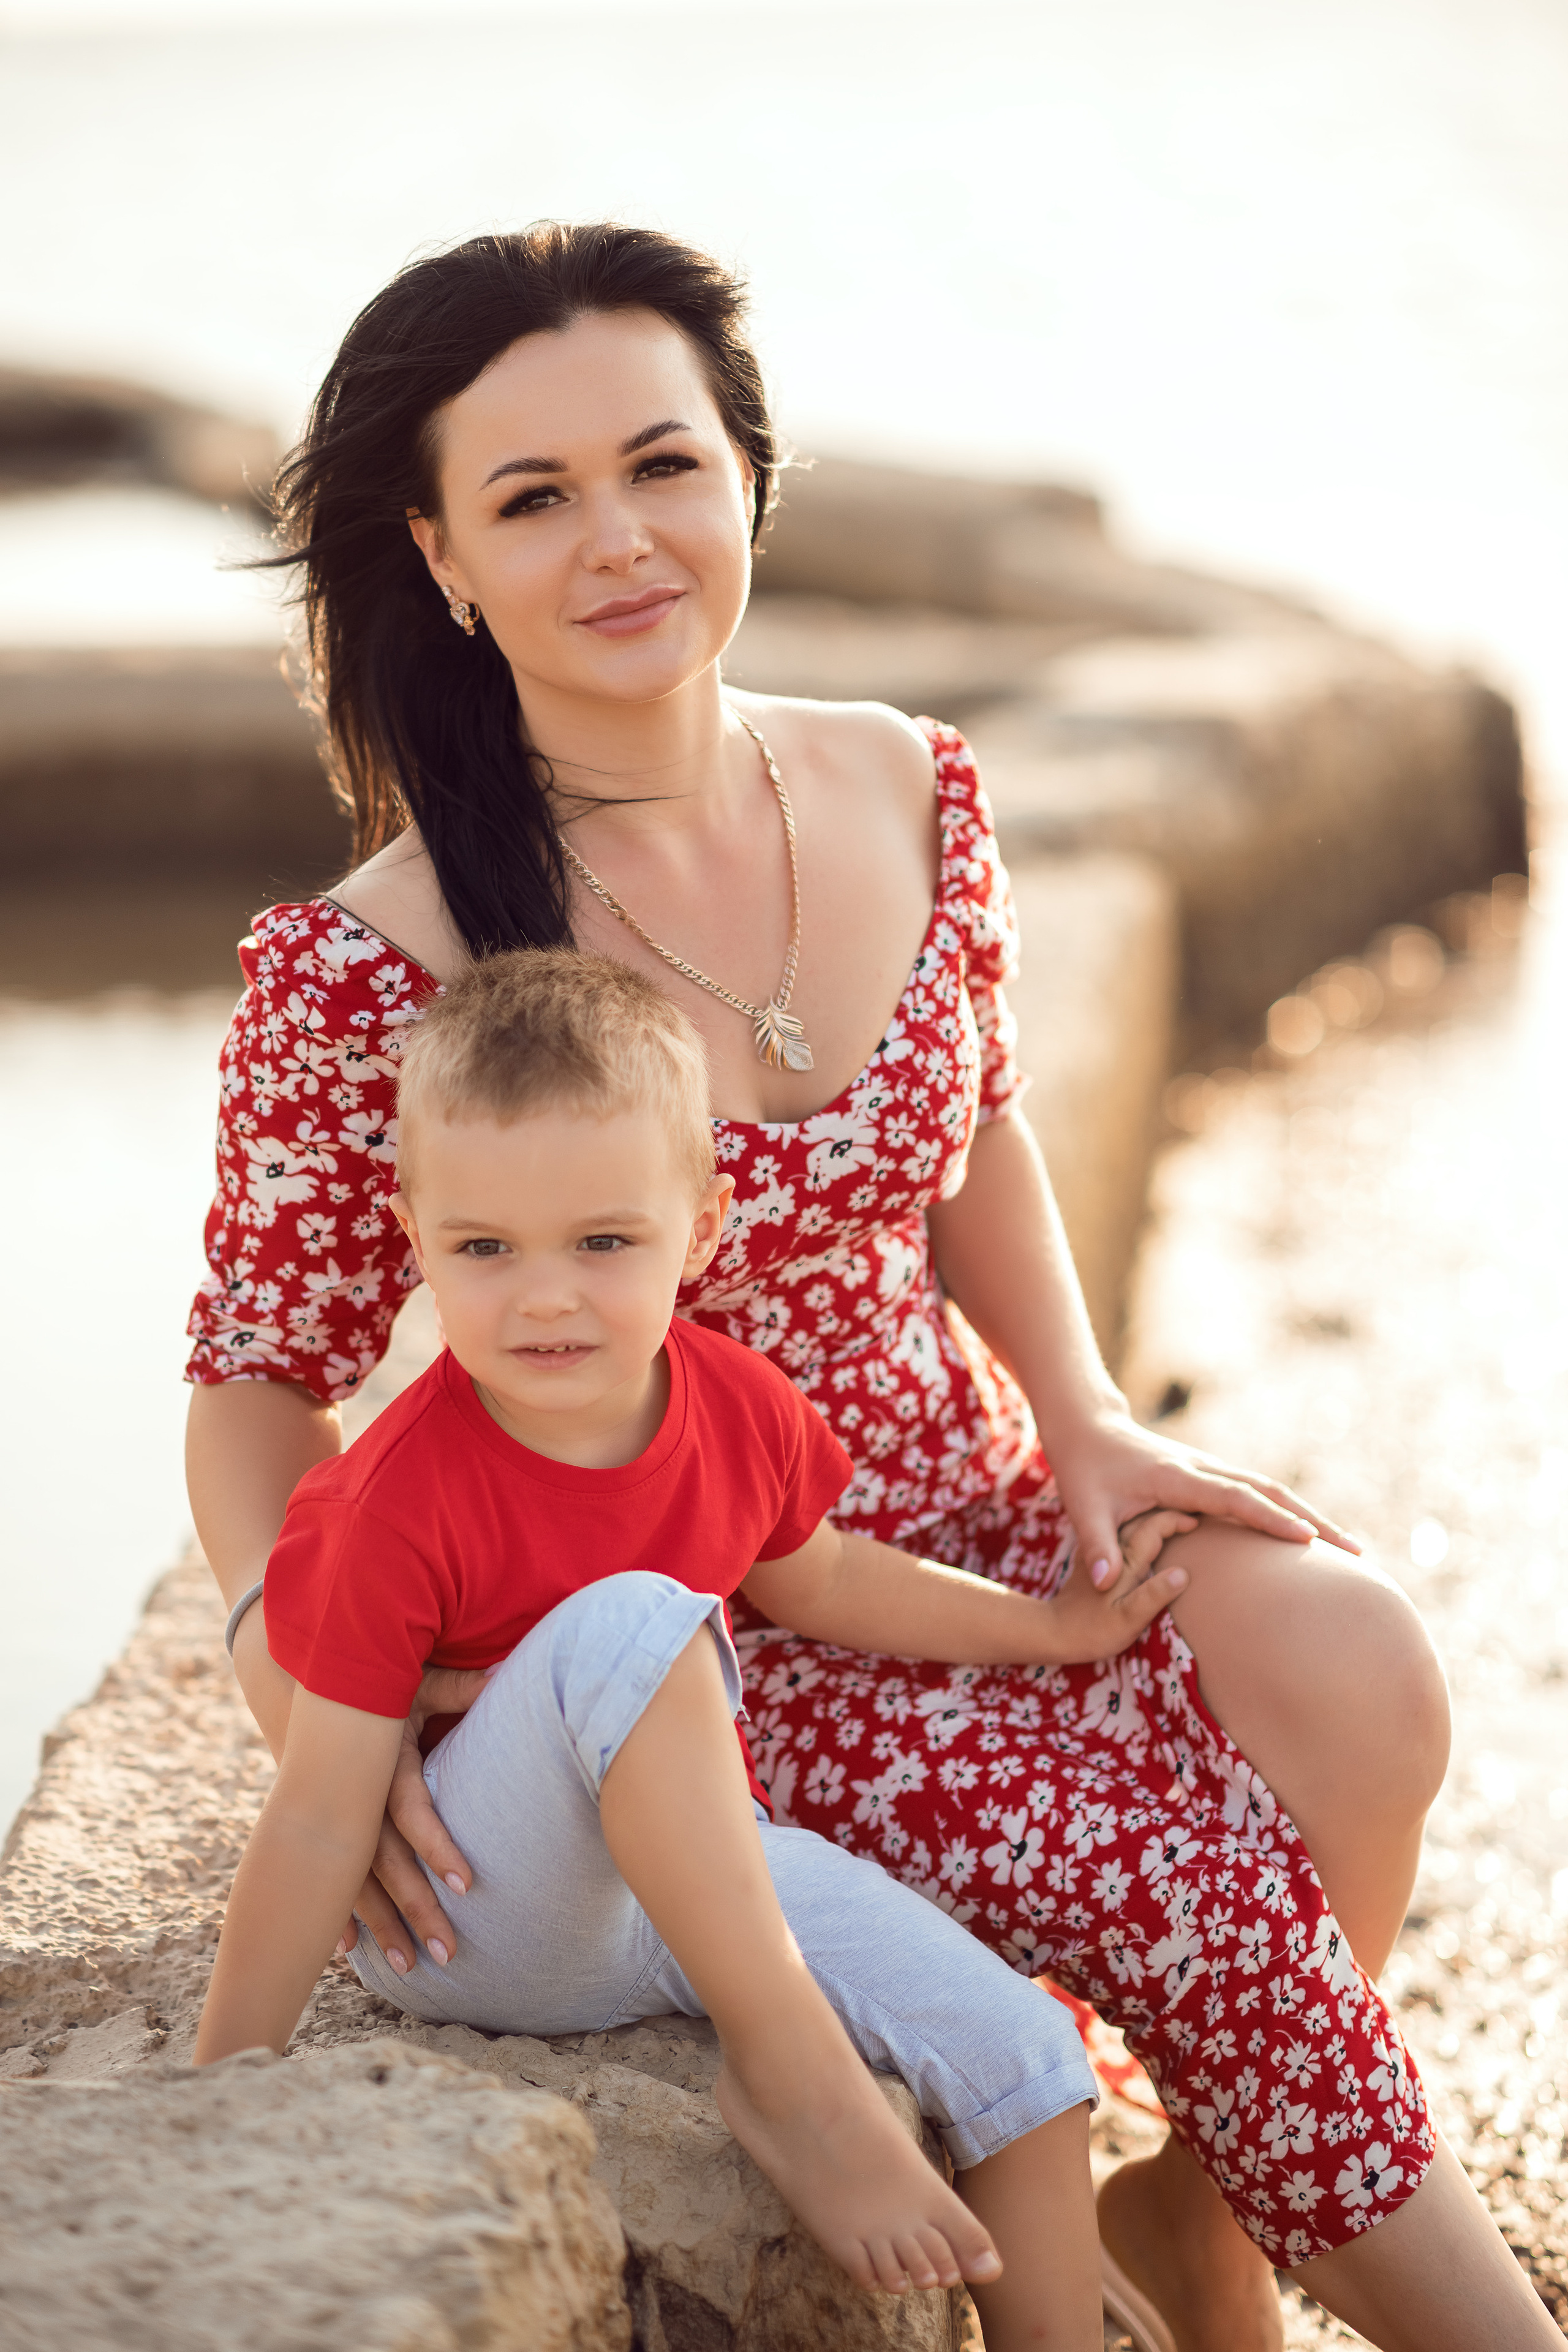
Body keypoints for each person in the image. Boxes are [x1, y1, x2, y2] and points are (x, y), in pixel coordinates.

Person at [185, 223, 1556, 2351]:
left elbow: (978, 1124)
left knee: (1359, 1661)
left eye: (663, 466)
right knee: (1172, 1868)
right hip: (695, 1624)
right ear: (440, 558)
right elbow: (259, 1377)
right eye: (534, 498)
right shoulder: (378, 963)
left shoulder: (903, 779)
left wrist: (1086, 1418)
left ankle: (1206, 2213)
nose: (620, 539)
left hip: (965, 1494)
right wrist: (321, 1727)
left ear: (747, 473)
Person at [198, 948, 1205, 2346]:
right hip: (480, 1913)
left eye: (603, 1243)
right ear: (414, 1235)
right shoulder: (396, 1500)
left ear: (704, 1222)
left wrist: (1047, 1629)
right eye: (484, 1249)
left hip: (695, 1880)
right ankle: (789, 2071)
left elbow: (826, 1576)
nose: (544, 1298)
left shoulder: (734, 1404)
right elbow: (320, 1819)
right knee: (640, 1622)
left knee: (1026, 2062)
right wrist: (213, 2088)